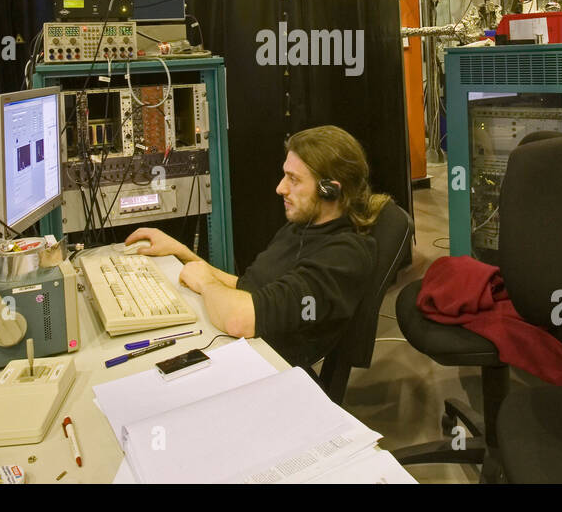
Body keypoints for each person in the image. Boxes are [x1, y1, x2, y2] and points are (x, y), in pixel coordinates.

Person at [127, 125, 387, 369]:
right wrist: (181, 253)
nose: (280, 188)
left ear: (330, 189)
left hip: (269, 367)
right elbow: (248, 289)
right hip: (244, 345)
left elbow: (239, 318)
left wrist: (206, 284)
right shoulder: (303, 225)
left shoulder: (344, 256)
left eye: (293, 179)